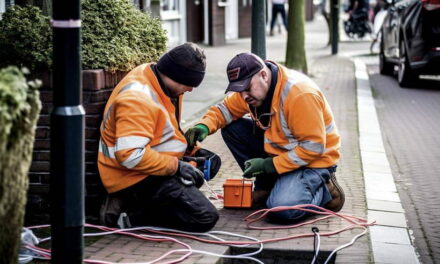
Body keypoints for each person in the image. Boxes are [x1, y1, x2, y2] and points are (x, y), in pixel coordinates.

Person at [185, 53, 344, 223]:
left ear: (263, 75)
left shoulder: (300, 94)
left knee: (281, 211)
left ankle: (326, 192)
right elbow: (225, 110)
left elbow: (313, 148)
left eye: (247, 88)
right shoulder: (253, 91)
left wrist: (268, 165)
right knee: (232, 128)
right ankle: (268, 187)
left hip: (313, 163)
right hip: (284, 156)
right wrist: (204, 126)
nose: (244, 96)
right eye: (239, 90)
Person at [98, 43, 220, 232]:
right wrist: (177, 167)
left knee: (211, 163)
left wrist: (188, 150)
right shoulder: (137, 100)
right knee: (205, 217)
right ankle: (129, 215)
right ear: (176, 76)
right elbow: (131, 156)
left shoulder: (158, 79)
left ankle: (169, 196)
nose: (190, 90)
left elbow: (158, 132)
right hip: (130, 176)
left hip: (151, 163)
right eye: (189, 85)